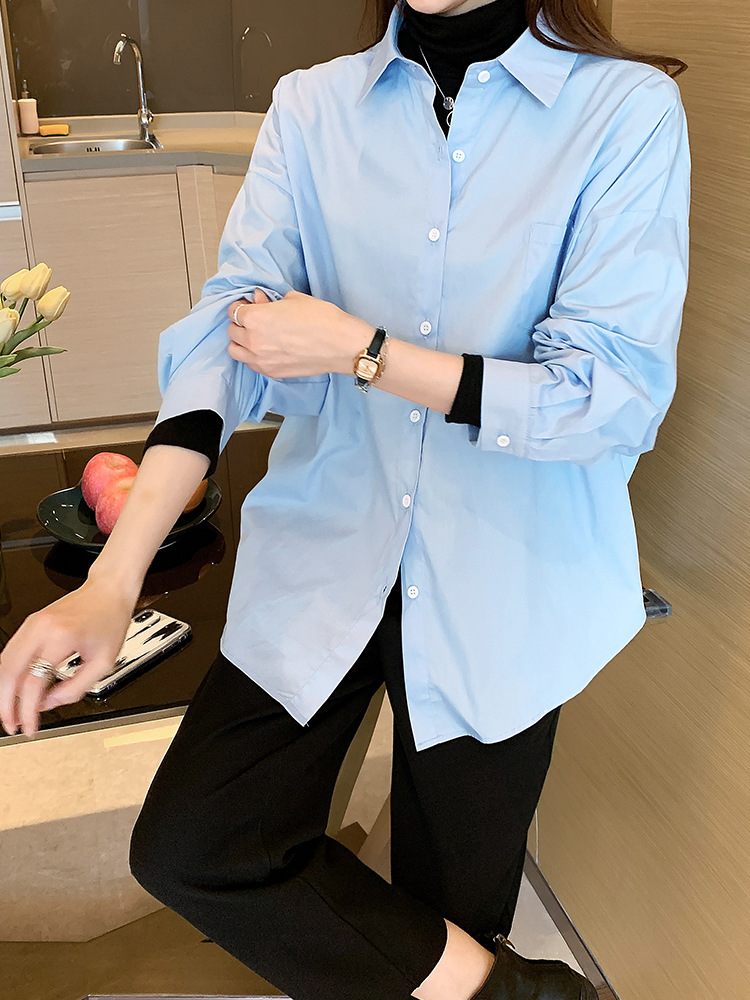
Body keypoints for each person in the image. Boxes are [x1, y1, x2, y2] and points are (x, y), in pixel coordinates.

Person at [0, 1, 690, 998]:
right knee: (197, 844)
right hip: (326, 549)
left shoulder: (625, 111)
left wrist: (362, 352)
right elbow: (224, 343)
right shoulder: (312, 108)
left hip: (507, 579)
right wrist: (115, 577)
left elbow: (608, 396)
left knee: (453, 913)